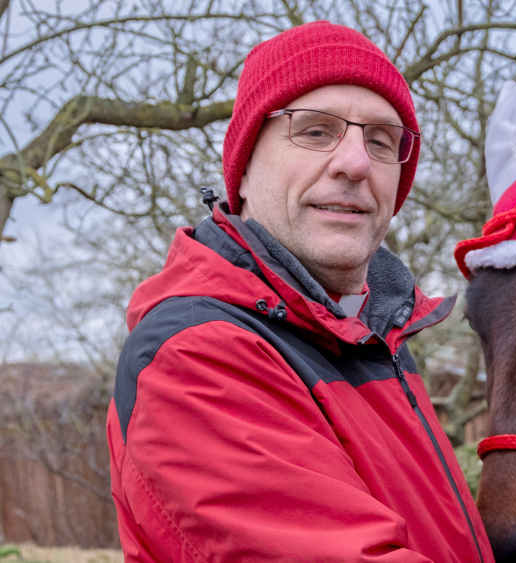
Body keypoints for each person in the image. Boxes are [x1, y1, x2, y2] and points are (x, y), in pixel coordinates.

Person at [106, 21, 492, 562]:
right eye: (314, 131)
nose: (356, 163)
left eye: (381, 140)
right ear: (241, 172)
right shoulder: (198, 355)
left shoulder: (375, 338)